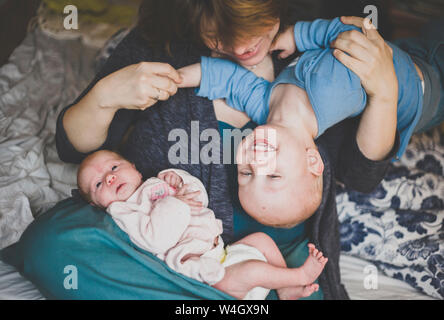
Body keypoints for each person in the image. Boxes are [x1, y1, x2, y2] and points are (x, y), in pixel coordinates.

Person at [1, 0, 399, 300]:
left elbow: (360, 174)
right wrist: (105, 97)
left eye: (255, 25)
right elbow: (73, 149)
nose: (242, 45)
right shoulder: (162, 47)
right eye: (218, 33)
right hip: (161, 254)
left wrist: (386, 94)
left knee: (298, 285)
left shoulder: (316, 59)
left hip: (274, 265)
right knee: (52, 245)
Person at [176, 16, 444, 227]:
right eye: (273, 175)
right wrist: (300, 36)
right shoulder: (331, 90)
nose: (256, 162)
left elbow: (230, 80)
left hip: (408, 55)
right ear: (312, 161)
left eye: (246, 174)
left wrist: (177, 79)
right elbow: (352, 37)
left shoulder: (264, 106)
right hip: (429, 89)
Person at [76, 149, 328, 300]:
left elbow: (200, 200)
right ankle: (299, 275)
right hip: (205, 274)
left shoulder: (156, 184)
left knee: (262, 241)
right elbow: (155, 239)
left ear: (135, 169)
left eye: (114, 167)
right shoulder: (124, 212)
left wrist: (182, 182)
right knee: (251, 270)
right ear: (99, 205)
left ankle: (285, 290)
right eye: (98, 184)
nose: (109, 177)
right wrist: (177, 203)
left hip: (220, 251)